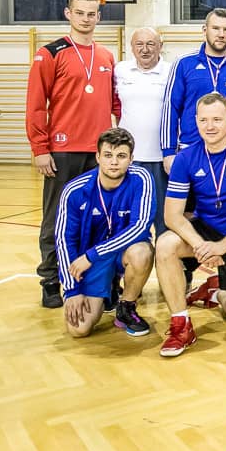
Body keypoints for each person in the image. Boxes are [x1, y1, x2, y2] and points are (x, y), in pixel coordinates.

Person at [155, 93, 226, 357]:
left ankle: (215, 292)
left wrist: (221, 247)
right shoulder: (186, 157)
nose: (210, 126)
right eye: (204, 120)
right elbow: (172, 216)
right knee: (165, 244)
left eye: (217, 120)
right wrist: (201, 246)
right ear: (196, 121)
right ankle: (181, 325)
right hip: (205, 230)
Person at [26, 0, 120, 309]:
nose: (85, 19)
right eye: (79, 12)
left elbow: (116, 103)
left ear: (99, 17)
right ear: (68, 14)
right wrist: (40, 147)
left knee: (100, 217)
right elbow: (36, 105)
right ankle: (51, 280)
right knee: (57, 216)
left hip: (100, 153)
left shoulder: (106, 56)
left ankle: (99, 280)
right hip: (62, 150)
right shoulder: (50, 53)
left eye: (91, 14)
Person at [55, 128, 155, 338]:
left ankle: (126, 308)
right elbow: (64, 241)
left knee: (142, 252)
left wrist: (93, 255)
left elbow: (140, 226)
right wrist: (72, 290)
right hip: (91, 261)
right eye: (108, 155)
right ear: (98, 157)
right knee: (79, 329)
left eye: (121, 156)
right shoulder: (74, 190)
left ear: (131, 159)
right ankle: (108, 288)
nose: (114, 162)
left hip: (114, 254)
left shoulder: (141, 178)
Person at [161, 7, 226, 173]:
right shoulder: (184, 63)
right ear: (205, 30)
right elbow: (170, 108)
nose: (221, 34)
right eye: (216, 28)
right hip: (191, 149)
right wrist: (168, 151)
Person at [115, 27, 171, 237]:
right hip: (129, 159)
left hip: (161, 159)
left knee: (164, 220)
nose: (145, 49)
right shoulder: (120, 70)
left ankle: (166, 257)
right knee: (131, 219)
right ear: (131, 47)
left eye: (150, 44)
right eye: (139, 44)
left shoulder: (171, 71)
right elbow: (113, 105)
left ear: (160, 47)